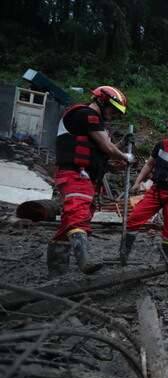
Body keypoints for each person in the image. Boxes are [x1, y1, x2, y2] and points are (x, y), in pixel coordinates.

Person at [47, 86, 134, 277]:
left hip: (81, 174)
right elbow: (106, 147)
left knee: (70, 220)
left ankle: (57, 268)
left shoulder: (92, 122)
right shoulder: (87, 115)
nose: (113, 116)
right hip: (75, 174)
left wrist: (115, 159)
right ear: (102, 101)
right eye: (113, 110)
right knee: (78, 211)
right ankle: (83, 259)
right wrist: (126, 156)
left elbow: (101, 151)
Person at [120, 117, 168, 263]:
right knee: (134, 218)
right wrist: (138, 182)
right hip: (156, 191)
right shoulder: (160, 146)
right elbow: (149, 165)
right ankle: (124, 252)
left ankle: (163, 259)